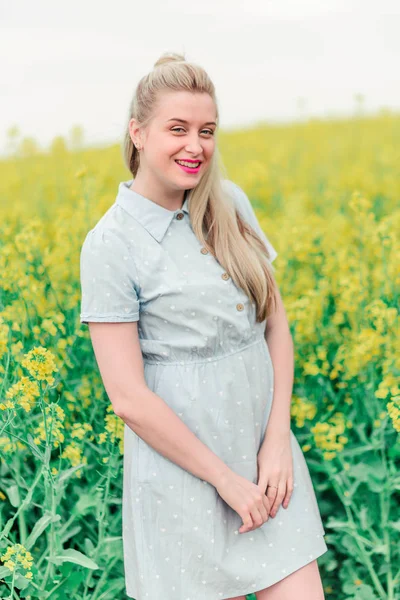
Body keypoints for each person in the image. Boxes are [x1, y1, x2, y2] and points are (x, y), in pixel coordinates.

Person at [79, 52, 328, 600]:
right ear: (138, 133)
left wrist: (278, 441)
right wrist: (224, 480)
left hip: (267, 464)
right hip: (183, 479)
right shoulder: (110, 245)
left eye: (207, 131)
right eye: (178, 129)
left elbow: (274, 327)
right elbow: (128, 398)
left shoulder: (229, 203)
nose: (196, 146)